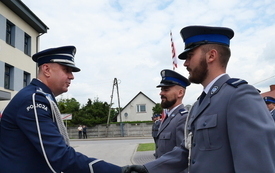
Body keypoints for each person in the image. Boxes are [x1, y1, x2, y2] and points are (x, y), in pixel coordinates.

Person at [122, 26, 275, 173]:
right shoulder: (198, 105)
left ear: (211, 56)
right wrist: (148, 169)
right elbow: (186, 150)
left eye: (190, 56)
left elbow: (258, 164)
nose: (186, 63)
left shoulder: (239, 96)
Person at [0, 46, 122, 173]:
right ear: (46, 69)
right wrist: (119, 171)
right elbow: (59, 155)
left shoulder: (42, 97)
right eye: (66, 70)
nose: (72, 76)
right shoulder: (33, 99)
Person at [154, 69, 189, 164]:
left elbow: (182, 157)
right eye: (161, 90)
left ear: (180, 93)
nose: (161, 93)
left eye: (166, 90)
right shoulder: (168, 117)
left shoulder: (183, 118)